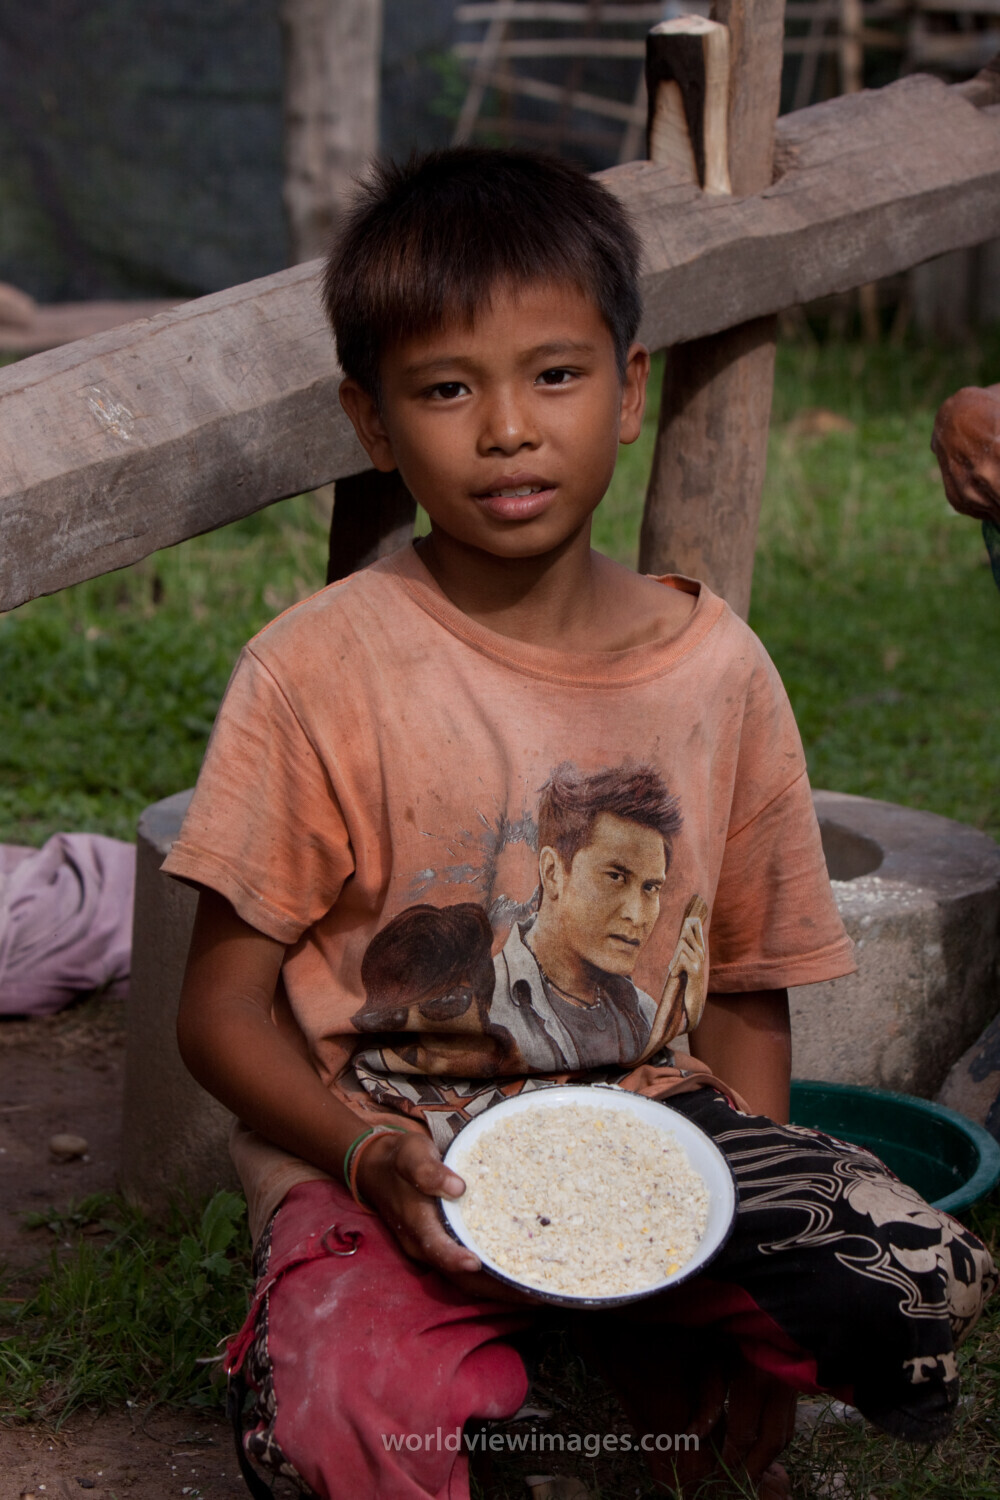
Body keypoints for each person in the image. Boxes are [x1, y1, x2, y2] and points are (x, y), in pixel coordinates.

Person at [166, 148, 996, 1500]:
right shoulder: (317, 670)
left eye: (555, 375)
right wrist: (367, 1154)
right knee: (345, 1423)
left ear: (630, 390)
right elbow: (218, 1014)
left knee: (917, 1274)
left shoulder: (718, 672)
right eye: (446, 389)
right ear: (372, 424)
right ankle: (502, 1412)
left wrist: (728, 1222)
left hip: (650, 1130)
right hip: (392, 1155)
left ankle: (659, 1359)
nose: (506, 428)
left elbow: (747, 985)